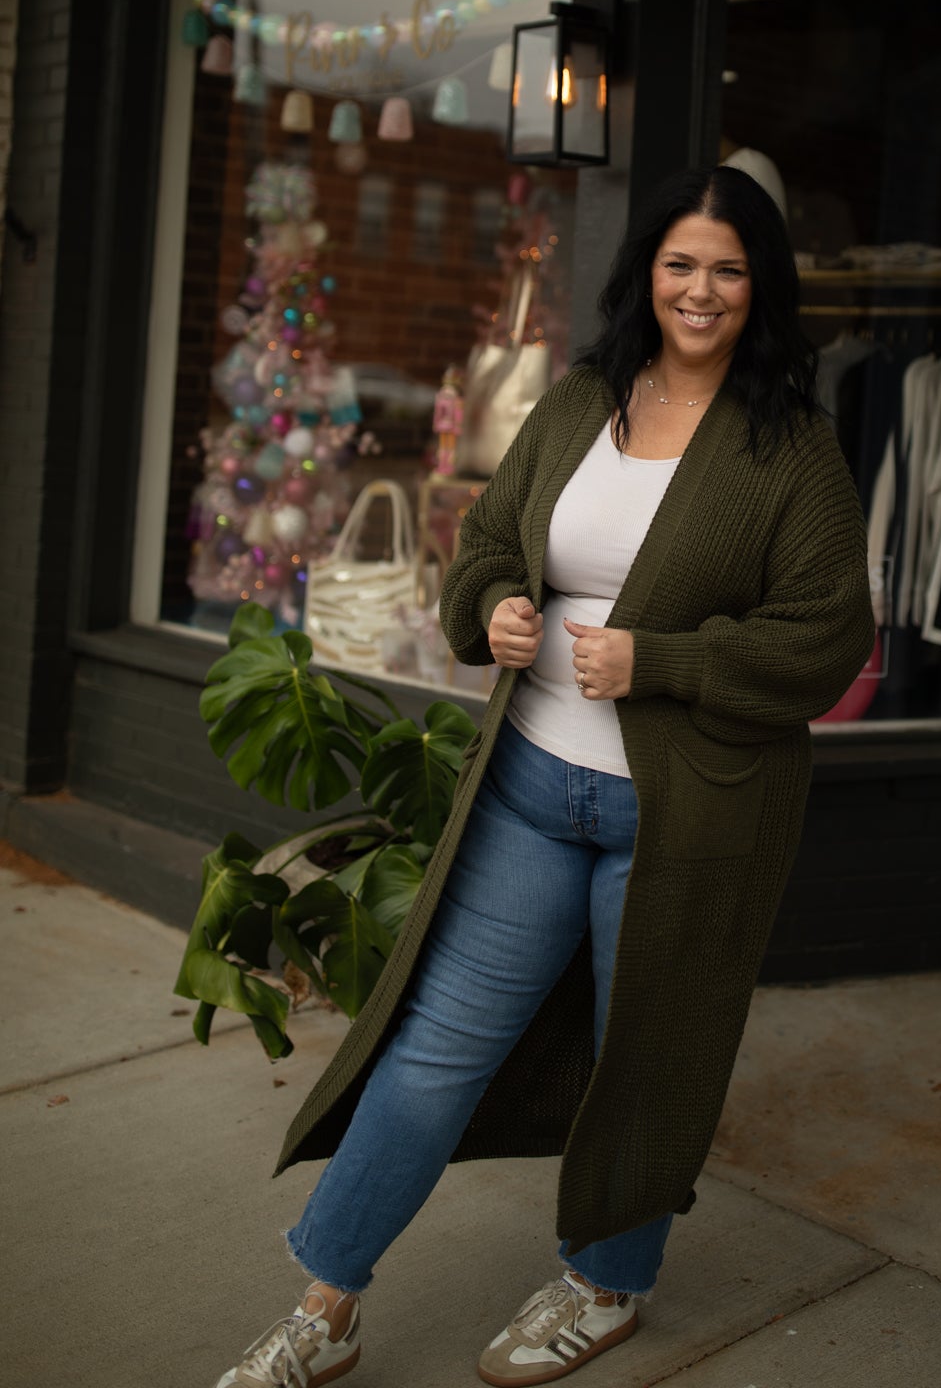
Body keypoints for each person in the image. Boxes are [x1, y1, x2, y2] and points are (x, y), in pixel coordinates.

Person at [213, 165, 874, 1388]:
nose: (702, 288)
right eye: (682, 262)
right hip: (531, 786)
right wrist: (497, 611)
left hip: (684, 817)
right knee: (433, 1047)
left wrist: (660, 658)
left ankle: (606, 1282)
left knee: (646, 1054)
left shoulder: (792, 449)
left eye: (729, 268)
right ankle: (326, 1300)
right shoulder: (581, 398)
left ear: (760, 287)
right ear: (649, 274)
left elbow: (830, 639)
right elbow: (489, 540)